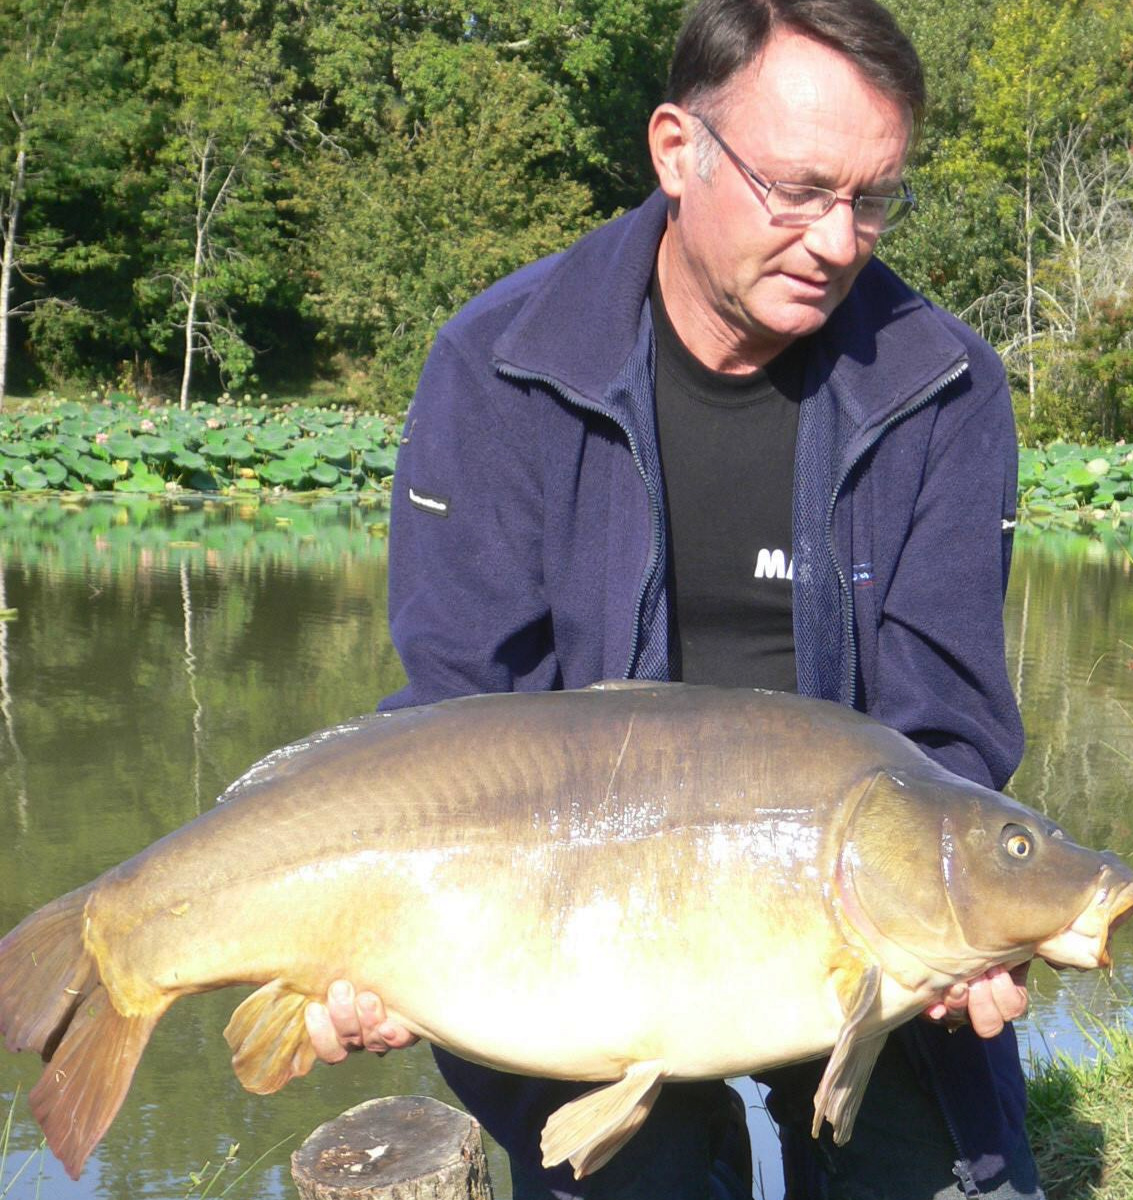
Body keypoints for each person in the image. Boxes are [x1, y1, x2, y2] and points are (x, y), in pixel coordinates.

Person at [306, 0, 1041, 1196]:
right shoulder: (498, 366)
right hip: (575, 928)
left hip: (845, 909)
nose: (838, 241)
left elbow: (944, 736)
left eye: (873, 199)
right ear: (676, 149)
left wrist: (972, 919)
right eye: (798, 190)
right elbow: (459, 723)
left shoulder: (944, 387)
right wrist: (389, 947)